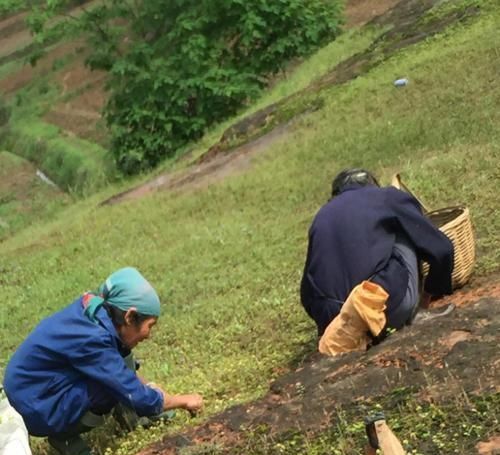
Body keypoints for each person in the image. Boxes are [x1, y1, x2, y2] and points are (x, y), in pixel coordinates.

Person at [3, 267, 203, 455]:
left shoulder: (95, 312)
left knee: (121, 357)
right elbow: (133, 393)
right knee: (110, 386)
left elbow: (122, 368)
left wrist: (152, 391)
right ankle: (64, 436)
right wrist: (182, 400)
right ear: (130, 317)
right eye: (150, 326)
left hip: (41, 388)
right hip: (37, 406)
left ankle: (133, 418)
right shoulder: (92, 339)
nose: (149, 335)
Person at [300, 169, 454, 352]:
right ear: (372, 184)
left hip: (337, 325)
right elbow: (442, 249)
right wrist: (431, 292)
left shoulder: (321, 217)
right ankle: (416, 313)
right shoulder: (385, 196)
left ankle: (361, 331)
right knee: (406, 229)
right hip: (386, 309)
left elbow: (307, 291)